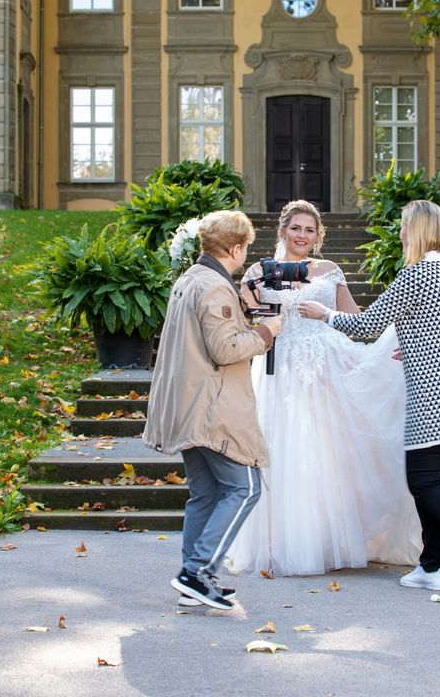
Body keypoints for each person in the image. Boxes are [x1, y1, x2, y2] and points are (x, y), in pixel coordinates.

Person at [227, 199, 440, 577]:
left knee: (324, 455)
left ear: (318, 235)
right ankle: (279, 542)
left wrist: (400, 343)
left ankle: (324, 540)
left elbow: (357, 319)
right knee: (281, 449)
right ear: (283, 230)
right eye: (296, 228)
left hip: (324, 370)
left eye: (309, 230)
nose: (302, 236)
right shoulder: (259, 270)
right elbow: (247, 321)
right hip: (278, 370)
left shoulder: (330, 271)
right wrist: (252, 295)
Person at [300, 199, 440, 600]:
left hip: (437, 397)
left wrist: (323, 314)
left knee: (422, 483)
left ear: (415, 230)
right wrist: (413, 344)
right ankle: (431, 567)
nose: (400, 233)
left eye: (403, 226)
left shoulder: (417, 274)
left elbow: (366, 325)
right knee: (429, 481)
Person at [143, 210, 282, 610]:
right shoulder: (216, 288)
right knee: (246, 487)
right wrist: (266, 332)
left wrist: (246, 314)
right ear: (236, 248)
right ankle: (197, 572)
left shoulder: (190, 280)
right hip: (212, 407)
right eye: (246, 249)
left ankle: (194, 580)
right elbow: (225, 349)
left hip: (189, 403)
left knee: (204, 495)